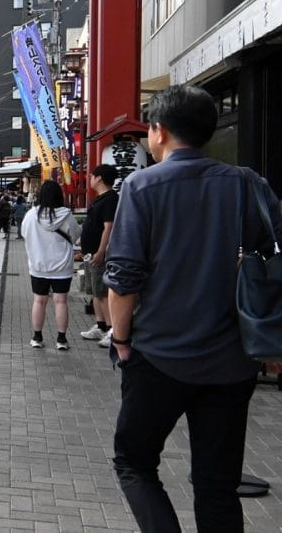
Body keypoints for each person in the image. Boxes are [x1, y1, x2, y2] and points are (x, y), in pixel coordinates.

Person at [104, 85, 282, 533]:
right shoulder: (248, 184)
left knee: (135, 464)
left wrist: (121, 340)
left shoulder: (142, 186)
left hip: (157, 357)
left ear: (159, 131)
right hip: (232, 362)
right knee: (217, 485)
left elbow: (123, 280)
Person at [20, 180, 80, 351]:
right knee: (61, 301)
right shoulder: (66, 215)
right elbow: (75, 236)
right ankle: (61, 340)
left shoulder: (31, 215)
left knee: (39, 301)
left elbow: (24, 233)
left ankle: (37, 337)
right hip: (62, 268)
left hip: (38, 265)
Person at [78, 165, 119, 348]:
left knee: (102, 292)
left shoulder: (110, 199)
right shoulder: (99, 199)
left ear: (99, 178)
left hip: (98, 253)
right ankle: (101, 325)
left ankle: (112, 330)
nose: (90, 179)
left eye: (92, 176)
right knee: (95, 291)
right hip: (89, 252)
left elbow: (108, 227)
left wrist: (102, 250)